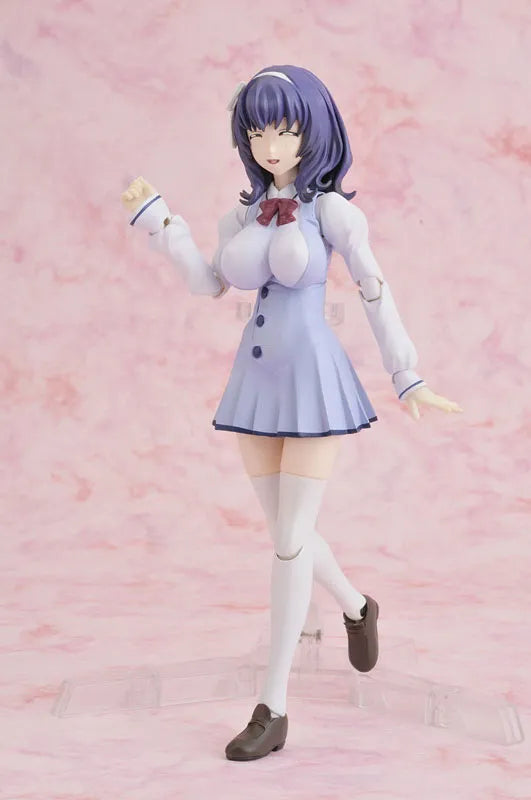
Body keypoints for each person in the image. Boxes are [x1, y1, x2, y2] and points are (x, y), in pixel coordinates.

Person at [121, 64, 463, 761]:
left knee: (287, 543)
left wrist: (408, 377)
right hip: (254, 383)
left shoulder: (332, 212)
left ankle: (271, 706)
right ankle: (357, 606)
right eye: (256, 131)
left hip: (312, 383)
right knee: (289, 535)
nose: (270, 145)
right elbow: (208, 283)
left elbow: (374, 290)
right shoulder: (242, 215)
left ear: (313, 129)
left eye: (283, 129)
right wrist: (162, 223)